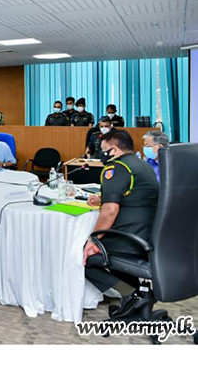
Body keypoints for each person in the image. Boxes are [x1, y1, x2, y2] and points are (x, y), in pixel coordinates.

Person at [83, 129, 159, 311]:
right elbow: (135, 196)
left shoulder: (116, 167)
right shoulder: (142, 165)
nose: (102, 154)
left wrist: (93, 240)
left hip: (127, 238)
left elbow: (110, 211)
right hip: (147, 236)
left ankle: (130, 294)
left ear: (115, 150)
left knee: (80, 256)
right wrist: (102, 199)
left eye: (104, 150)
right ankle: (137, 295)